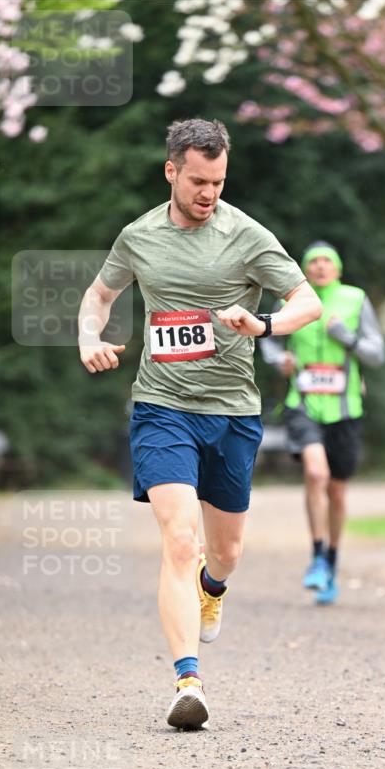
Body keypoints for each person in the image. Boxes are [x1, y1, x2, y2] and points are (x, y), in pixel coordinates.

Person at [77, 118, 321, 730]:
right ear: (171, 171)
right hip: (162, 407)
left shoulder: (246, 235)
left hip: (233, 413)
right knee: (179, 539)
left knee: (226, 551)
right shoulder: (138, 236)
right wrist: (88, 336)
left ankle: (213, 588)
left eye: (217, 181)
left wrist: (263, 325)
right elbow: (99, 296)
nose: (208, 193)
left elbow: (306, 302)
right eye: (197, 181)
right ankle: (188, 681)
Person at [260, 241, 385, 605]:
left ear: (338, 269)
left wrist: (345, 337)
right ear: (303, 268)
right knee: (316, 473)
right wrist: (279, 358)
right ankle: (316, 555)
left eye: (326, 261)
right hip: (303, 405)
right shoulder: (290, 300)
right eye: (312, 261)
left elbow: (377, 354)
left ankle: (331, 560)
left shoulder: (355, 299)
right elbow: (267, 337)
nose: (318, 266)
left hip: (346, 409)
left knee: (338, 491)